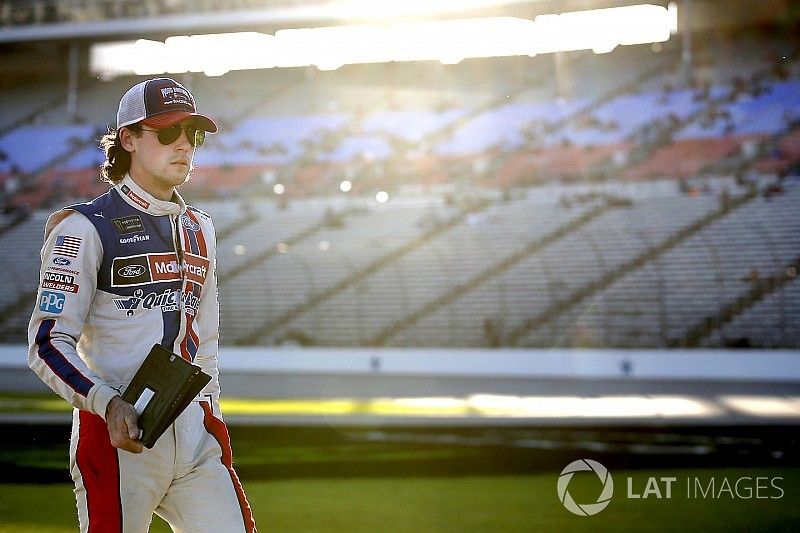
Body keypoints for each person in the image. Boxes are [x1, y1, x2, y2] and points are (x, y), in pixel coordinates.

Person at [27, 77, 257, 533]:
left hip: (195, 434)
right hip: (116, 435)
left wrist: (209, 412)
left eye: (192, 135)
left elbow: (205, 338)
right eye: (168, 133)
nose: (185, 147)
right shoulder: (81, 229)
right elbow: (48, 343)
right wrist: (108, 404)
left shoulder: (201, 227)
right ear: (127, 139)